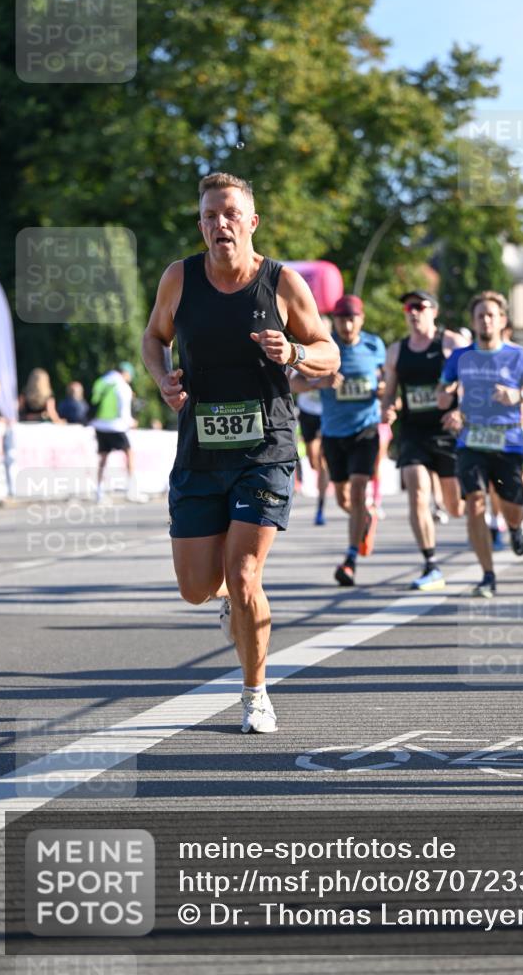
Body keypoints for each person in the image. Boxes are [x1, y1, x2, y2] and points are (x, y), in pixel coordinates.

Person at [141, 172, 338, 734]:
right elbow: (153, 337)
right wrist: (163, 379)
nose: (218, 224)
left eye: (229, 213)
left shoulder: (281, 282)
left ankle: (255, 694)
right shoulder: (179, 278)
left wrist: (296, 350)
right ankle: (226, 596)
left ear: (251, 222)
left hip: (266, 448)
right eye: (208, 215)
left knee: (246, 570)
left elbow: (330, 355)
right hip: (199, 452)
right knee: (197, 588)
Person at [438, 291, 523, 598]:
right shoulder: (460, 357)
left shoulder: (518, 356)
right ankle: (487, 575)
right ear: (472, 322)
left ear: (502, 321)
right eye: (480, 315)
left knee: (512, 507)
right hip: (470, 439)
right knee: (475, 502)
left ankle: (515, 528)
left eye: (491, 315)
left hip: (508, 441)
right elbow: (443, 390)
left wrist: (519, 396)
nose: (485, 320)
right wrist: (450, 407)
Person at [293, 295, 385, 586]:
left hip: (365, 430)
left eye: (352, 318)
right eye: (342, 319)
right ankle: (365, 519)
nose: (347, 325)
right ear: (334, 321)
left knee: (358, 491)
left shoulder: (374, 346)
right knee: (345, 499)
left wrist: (385, 391)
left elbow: (388, 378)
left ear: (362, 319)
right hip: (333, 432)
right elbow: (291, 382)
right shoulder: (324, 347)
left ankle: (350, 559)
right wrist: (318, 383)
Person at [381, 290, 468, 590]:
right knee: (417, 490)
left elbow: (472, 382)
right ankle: (431, 563)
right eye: (408, 307)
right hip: (414, 432)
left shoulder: (452, 344)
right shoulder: (397, 351)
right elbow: (390, 390)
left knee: (456, 507)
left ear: (434, 311)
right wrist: (388, 408)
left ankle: (489, 519)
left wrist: (461, 411)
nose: (413, 312)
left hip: (448, 431)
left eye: (420, 306)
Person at [91, 362, 144, 503]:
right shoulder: (123, 386)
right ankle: (132, 490)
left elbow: (94, 401)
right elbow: (124, 412)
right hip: (115, 426)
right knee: (129, 453)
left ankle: (99, 493)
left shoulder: (101, 381)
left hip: (99, 424)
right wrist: (131, 422)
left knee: (103, 458)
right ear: (126, 373)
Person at [294, 376, 330, 525]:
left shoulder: (336, 354)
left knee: (323, 462)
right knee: (313, 459)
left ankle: (321, 507)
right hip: (308, 410)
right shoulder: (303, 353)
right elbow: (294, 384)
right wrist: (316, 384)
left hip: (328, 411)